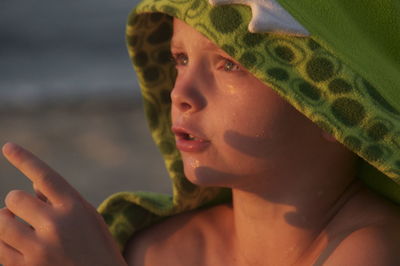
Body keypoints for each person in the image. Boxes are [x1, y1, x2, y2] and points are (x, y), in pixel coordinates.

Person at [1, 0, 400, 265]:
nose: (180, 93)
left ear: (337, 107)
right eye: (180, 59)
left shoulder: (371, 249)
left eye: (229, 64)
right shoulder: (156, 248)